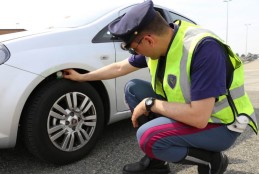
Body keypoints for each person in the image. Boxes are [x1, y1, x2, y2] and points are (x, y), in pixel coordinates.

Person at [63, 1, 258, 173]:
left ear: (148, 39)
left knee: (148, 137)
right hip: (193, 113)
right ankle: (157, 164)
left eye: (133, 48)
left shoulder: (203, 50)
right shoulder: (162, 43)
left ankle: (211, 161)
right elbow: (120, 67)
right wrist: (83, 77)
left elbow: (199, 118)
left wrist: (151, 104)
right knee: (134, 89)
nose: (134, 53)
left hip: (220, 125)